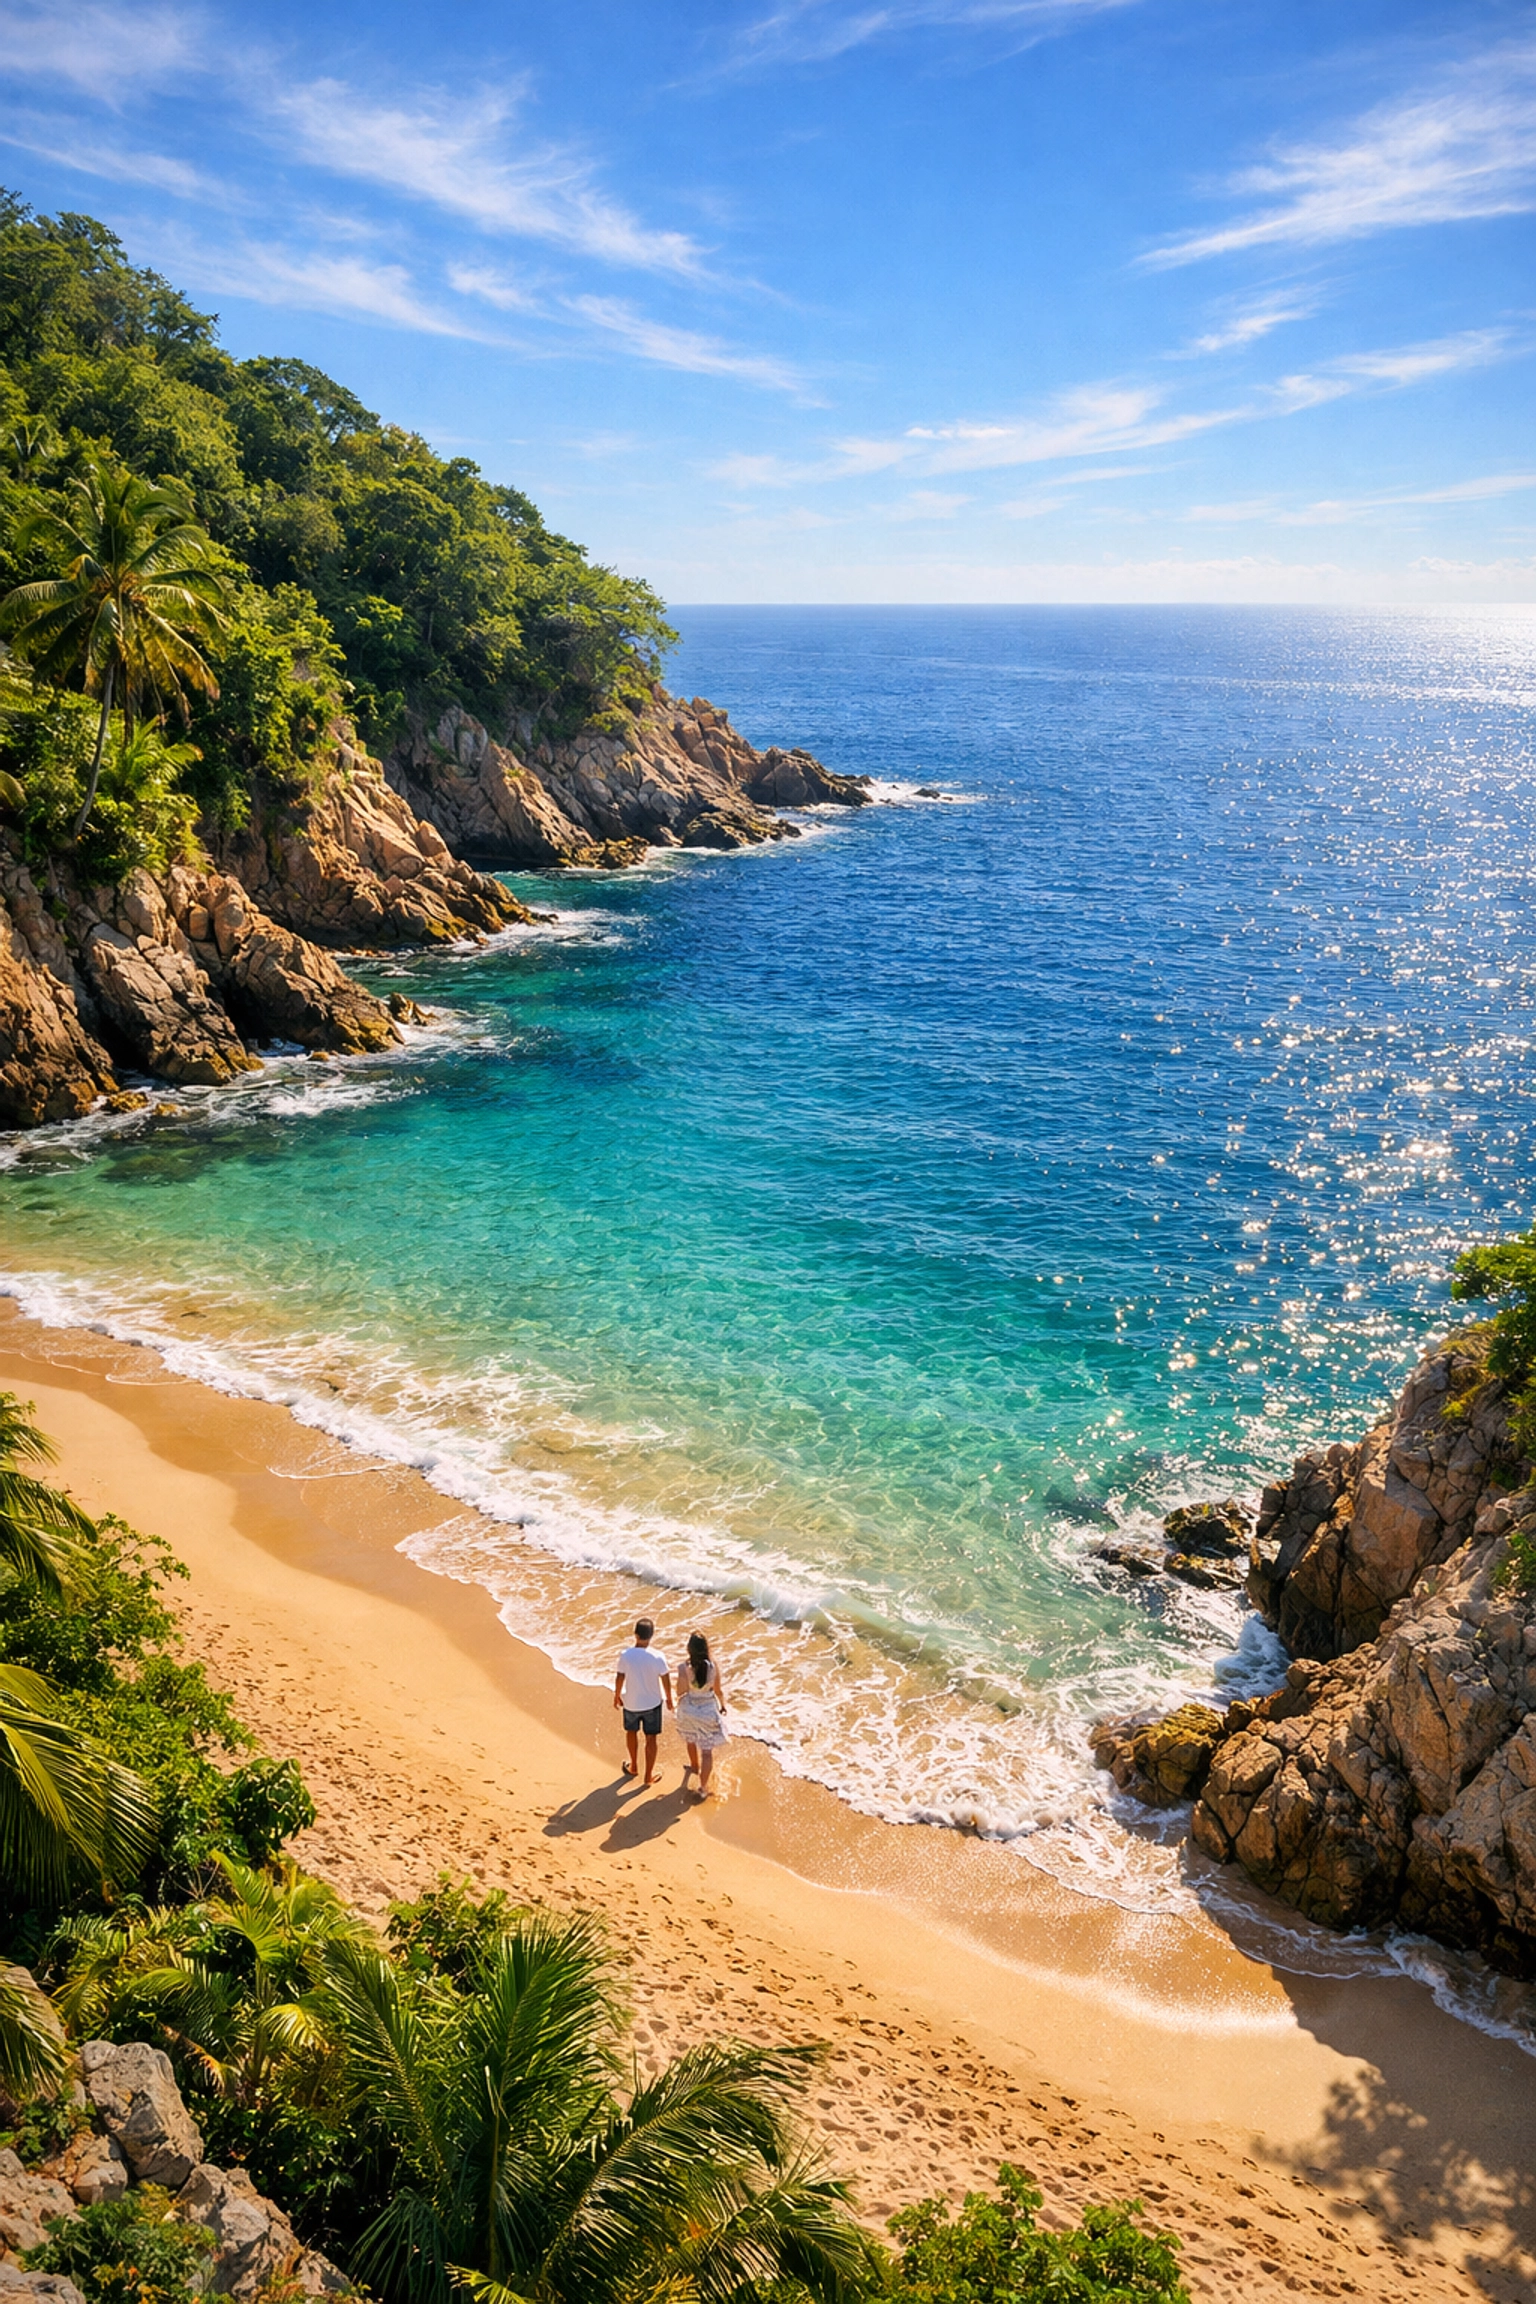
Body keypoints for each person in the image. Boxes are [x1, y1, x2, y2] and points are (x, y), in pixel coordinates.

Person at [614, 1618, 672, 1786]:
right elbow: (665, 1678)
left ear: (635, 1634)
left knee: (631, 1733)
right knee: (651, 1738)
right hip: (652, 1704)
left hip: (631, 1702)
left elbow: (620, 1676)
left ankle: (633, 1766)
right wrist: (669, 1698)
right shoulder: (658, 1656)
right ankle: (648, 1776)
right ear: (652, 1635)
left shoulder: (626, 1655)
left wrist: (617, 1695)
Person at [675, 1630, 728, 1798]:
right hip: (707, 1711)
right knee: (707, 1751)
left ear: (689, 1649)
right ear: (706, 1647)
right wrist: (723, 1705)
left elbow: (680, 1691)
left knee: (690, 1740)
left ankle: (694, 1766)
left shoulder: (684, 1668)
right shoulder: (713, 1666)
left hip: (689, 1710)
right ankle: (703, 1788)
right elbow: (718, 1690)